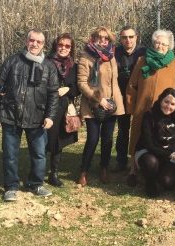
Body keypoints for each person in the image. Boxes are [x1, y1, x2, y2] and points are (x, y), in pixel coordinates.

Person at [0, 29, 59, 201]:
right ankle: (11, 187)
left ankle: (36, 184)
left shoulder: (49, 66)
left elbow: (53, 94)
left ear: (43, 44)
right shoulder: (12, 61)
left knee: (39, 154)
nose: (34, 44)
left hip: (38, 117)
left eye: (39, 42)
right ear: (27, 41)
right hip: (11, 115)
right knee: (10, 154)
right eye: (31, 40)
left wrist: (50, 116)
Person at [126, 29, 175, 186]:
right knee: (137, 137)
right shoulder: (142, 60)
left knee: (162, 137)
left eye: (163, 43)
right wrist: (131, 107)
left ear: (169, 46)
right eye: (157, 42)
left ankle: (161, 166)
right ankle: (133, 169)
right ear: (153, 43)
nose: (160, 46)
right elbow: (132, 85)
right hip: (143, 108)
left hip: (165, 111)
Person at [77, 26, 125, 186]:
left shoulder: (111, 56)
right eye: (99, 37)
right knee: (92, 139)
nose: (103, 41)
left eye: (106, 38)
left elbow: (114, 81)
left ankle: (104, 167)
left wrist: (113, 102)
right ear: (93, 38)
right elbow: (81, 83)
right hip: (93, 104)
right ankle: (84, 170)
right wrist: (99, 100)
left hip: (111, 104)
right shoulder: (85, 57)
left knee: (107, 139)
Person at [135, 88, 175, 197]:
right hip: (149, 152)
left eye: (172, 104)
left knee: (167, 182)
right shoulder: (149, 115)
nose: (168, 106)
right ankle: (149, 181)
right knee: (151, 162)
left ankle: (158, 175)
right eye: (166, 102)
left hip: (170, 155)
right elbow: (149, 144)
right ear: (160, 100)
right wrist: (171, 154)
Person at [46, 33, 80, 187]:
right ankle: (38, 170)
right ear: (55, 45)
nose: (63, 48)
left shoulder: (74, 66)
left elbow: (77, 89)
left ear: (71, 48)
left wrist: (67, 88)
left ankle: (54, 172)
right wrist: (54, 90)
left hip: (64, 107)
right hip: (45, 106)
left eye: (67, 46)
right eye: (61, 45)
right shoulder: (46, 62)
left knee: (59, 140)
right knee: (44, 139)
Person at [114, 25, 146, 172]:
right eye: (124, 37)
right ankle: (121, 160)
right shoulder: (115, 52)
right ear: (120, 39)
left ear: (136, 38)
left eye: (131, 37)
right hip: (120, 96)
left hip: (139, 96)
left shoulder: (143, 52)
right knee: (123, 129)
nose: (128, 40)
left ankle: (139, 159)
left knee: (141, 128)